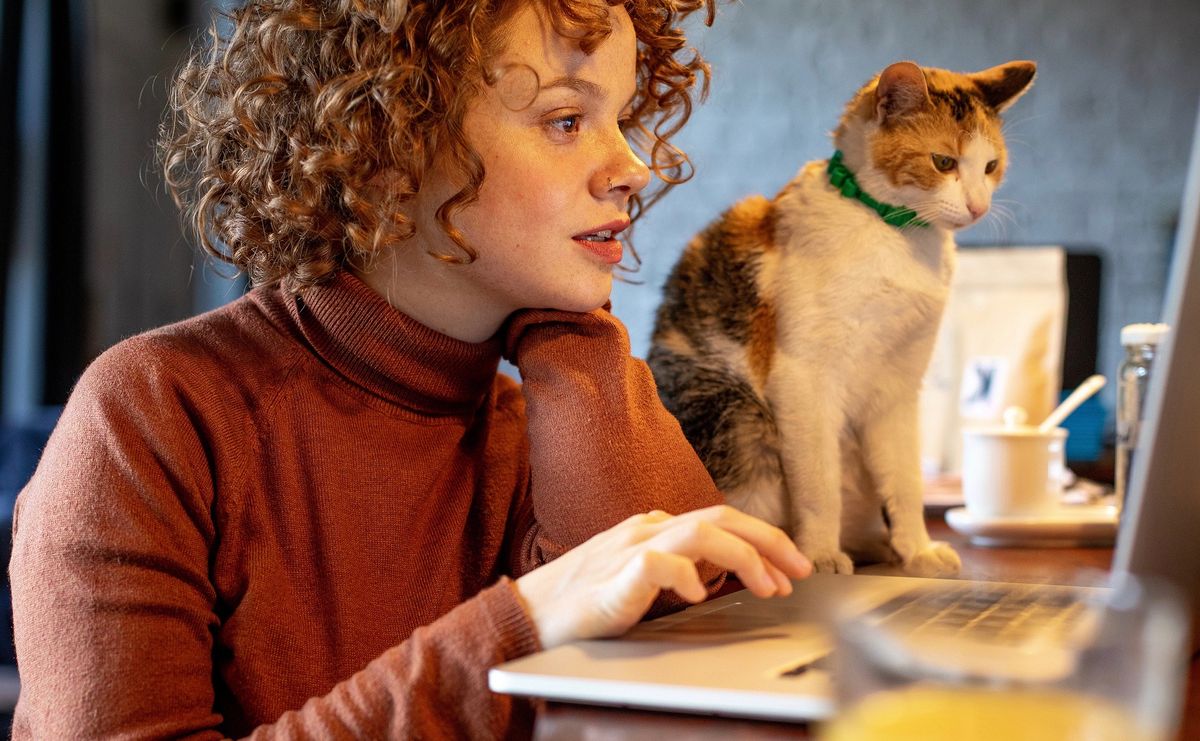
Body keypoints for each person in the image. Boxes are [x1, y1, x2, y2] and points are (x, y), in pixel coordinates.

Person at [8, 0, 812, 737]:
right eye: (566, 121)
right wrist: (519, 624)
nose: (632, 165)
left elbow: (702, 690)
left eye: (624, 117)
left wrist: (576, 343)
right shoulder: (152, 413)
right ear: (387, 143)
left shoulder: (555, 429)